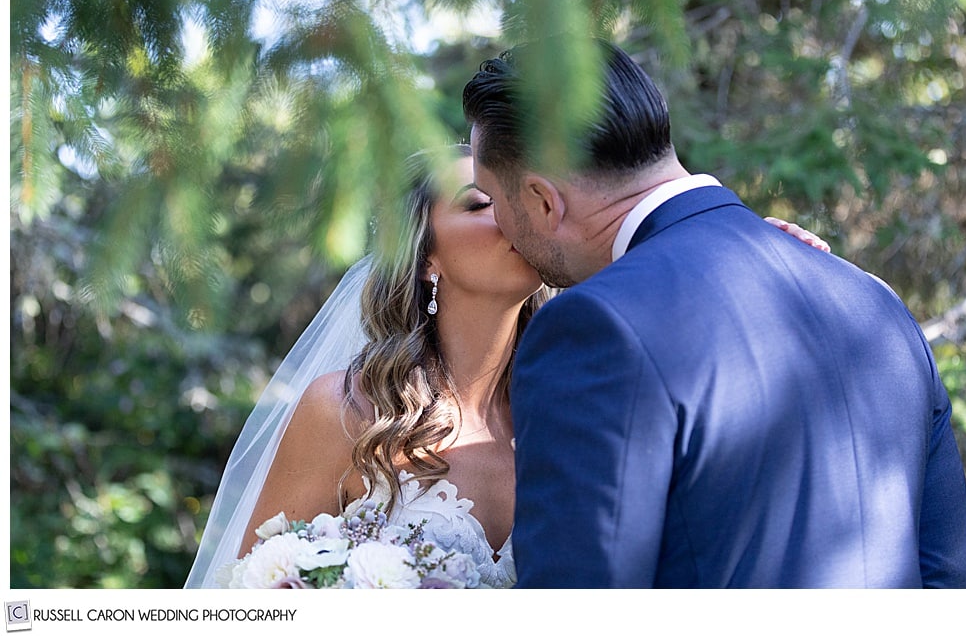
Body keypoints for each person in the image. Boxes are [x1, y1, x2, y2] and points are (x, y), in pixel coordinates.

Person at [184, 142, 827, 589]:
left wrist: (750, 262)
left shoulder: (578, 407)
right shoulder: (346, 412)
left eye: (514, 196)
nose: (510, 216)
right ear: (425, 254)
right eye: (477, 202)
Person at [462, 36, 966, 588]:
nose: (501, 227)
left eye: (494, 200)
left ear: (543, 200)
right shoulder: (876, 300)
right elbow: (947, 579)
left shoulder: (594, 327)